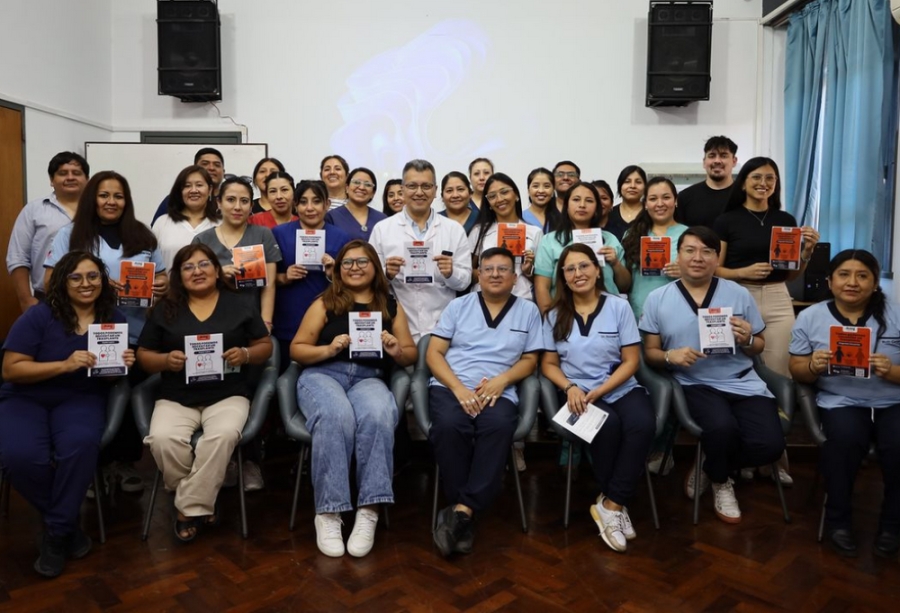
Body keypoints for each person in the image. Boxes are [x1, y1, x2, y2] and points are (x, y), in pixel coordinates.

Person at [0, 251, 134, 577]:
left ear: (103, 280)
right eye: (76, 277)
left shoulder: (114, 318)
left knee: (80, 445)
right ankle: (66, 527)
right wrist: (64, 364)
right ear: (62, 281)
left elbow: (108, 377)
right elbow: (11, 369)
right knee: (19, 456)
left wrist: (120, 366)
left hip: (80, 397)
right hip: (26, 398)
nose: (86, 283)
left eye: (93, 276)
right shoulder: (39, 316)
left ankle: (56, 533)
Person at [640, 227, 786, 524]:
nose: (698, 258)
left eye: (707, 251)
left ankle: (711, 464)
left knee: (770, 444)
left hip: (743, 381)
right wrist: (670, 356)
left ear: (717, 258)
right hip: (695, 383)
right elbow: (650, 353)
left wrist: (747, 339)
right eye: (690, 250)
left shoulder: (738, 294)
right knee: (721, 429)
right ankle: (722, 481)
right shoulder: (658, 298)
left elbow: (759, 345)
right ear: (678, 256)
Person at [43, 171, 168, 495]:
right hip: (84, 332)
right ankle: (90, 465)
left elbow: (164, 278)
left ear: (127, 201)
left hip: (135, 331)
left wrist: (160, 285)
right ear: (92, 199)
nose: (111, 202)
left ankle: (123, 463)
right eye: (104, 195)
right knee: (91, 396)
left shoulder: (142, 235)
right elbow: (49, 282)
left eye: (118, 196)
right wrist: (98, 283)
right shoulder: (70, 234)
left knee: (127, 399)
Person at [138, 244, 272, 542]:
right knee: (161, 439)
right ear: (178, 275)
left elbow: (265, 346)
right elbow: (144, 355)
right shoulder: (165, 308)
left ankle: (187, 509)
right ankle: (201, 500)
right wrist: (165, 361)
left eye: (204, 264)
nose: (197, 271)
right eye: (188, 267)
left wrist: (245, 354)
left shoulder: (239, 304)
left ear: (216, 269)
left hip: (227, 395)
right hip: (176, 396)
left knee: (222, 436)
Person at [291, 241, 417, 558]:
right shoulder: (325, 302)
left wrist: (395, 350)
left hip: (368, 378)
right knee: (336, 416)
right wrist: (329, 349)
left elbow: (410, 354)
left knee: (379, 414)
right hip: (324, 375)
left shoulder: (390, 305)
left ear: (375, 267)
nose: (354, 267)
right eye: (347, 262)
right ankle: (329, 513)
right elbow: (297, 349)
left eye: (362, 261)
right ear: (338, 269)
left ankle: (369, 510)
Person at [427, 247, 543, 557]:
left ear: (514, 277)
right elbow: (433, 353)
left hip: (498, 391)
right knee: (450, 425)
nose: (495, 274)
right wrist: (458, 389)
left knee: (499, 426)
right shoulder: (458, 306)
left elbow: (530, 360)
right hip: (452, 386)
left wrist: (502, 380)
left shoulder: (529, 311)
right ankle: (465, 513)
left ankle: (461, 511)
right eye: (488, 269)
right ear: (478, 275)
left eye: (502, 269)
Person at [541, 244, 655, 552]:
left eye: (584, 266)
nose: (578, 273)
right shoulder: (553, 315)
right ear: (563, 278)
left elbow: (631, 360)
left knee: (643, 423)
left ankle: (611, 504)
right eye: (570, 269)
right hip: (576, 394)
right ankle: (615, 503)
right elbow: (548, 365)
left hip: (618, 387)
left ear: (597, 269)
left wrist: (602, 390)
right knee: (608, 426)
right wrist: (570, 387)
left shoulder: (618, 307)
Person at [714, 157, 820, 484]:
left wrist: (806, 253)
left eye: (770, 178)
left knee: (777, 377)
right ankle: (748, 452)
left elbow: (791, 274)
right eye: (757, 177)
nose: (764, 183)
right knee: (740, 374)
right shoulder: (727, 220)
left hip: (776, 297)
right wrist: (743, 272)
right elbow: (714, 269)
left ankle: (773, 457)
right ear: (744, 181)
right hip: (737, 295)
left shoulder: (785, 220)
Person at [789, 249, 900, 558]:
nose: (852, 282)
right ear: (830, 281)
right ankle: (838, 521)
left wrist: (891, 371)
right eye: (844, 275)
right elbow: (796, 369)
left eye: (862, 276)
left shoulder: (896, 314)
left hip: (893, 401)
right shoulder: (811, 317)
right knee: (844, 441)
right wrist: (813, 366)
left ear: (875, 284)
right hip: (841, 401)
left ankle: (892, 525)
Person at [369, 159, 472, 343]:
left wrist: (451, 273)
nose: (419, 192)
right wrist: (386, 274)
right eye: (412, 186)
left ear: (435, 190)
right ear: (402, 189)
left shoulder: (453, 230)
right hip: (397, 327)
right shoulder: (382, 229)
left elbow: (464, 282)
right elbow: (368, 281)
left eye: (426, 186)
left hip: (444, 326)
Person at [271, 180, 352, 370]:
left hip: (327, 322)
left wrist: (333, 274)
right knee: (285, 376)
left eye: (316, 201)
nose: (309, 208)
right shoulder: (278, 234)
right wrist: (284, 277)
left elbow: (352, 283)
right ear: (295, 205)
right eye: (303, 202)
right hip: (287, 317)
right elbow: (265, 279)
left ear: (327, 204)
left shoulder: (341, 237)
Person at [7, 152, 89, 311]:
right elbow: (18, 257)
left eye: (76, 173)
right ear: (52, 180)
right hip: (47, 299)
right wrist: (25, 299)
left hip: (93, 298)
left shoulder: (99, 211)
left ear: (87, 179)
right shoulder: (34, 210)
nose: (70, 177)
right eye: (62, 173)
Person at [534, 181, 631, 314]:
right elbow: (542, 287)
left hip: (608, 314)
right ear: (566, 206)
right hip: (564, 315)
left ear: (597, 207)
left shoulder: (610, 239)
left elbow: (624, 286)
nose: (582, 205)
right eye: (576, 199)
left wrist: (615, 263)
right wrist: (549, 319)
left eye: (589, 201)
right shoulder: (549, 241)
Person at [621, 177, 688, 321]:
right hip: (640, 312)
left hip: (678, 312)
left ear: (675, 201)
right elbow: (624, 280)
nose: (660, 204)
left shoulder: (689, 235)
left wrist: (686, 273)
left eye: (666, 197)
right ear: (645, 204)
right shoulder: (631, 235)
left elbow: (706, 276)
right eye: (653, 199)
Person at [469, 173, 542, 300]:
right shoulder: (478, 231)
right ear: (488, 203)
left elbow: (543, 280)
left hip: (521, 299)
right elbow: (467, 271)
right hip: (484, 300)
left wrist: (528, 270)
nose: (499, 199)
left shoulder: (534, 232)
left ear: (516, 195)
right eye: (492, 196)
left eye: (504, 192)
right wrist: (486, 273)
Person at [152, 165, 222, 273]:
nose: (193, 190)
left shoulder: (221, 224)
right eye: (187, 186)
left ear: (210, 190)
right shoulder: (162, 223)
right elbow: (150, 263)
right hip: (170, 284)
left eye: (199, 185)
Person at [675, 136, 738, 229]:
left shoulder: (744, 196)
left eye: (723, 156)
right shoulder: (685, 197)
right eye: (712, 156)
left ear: (734, 161)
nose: (717, 161)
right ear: (704, 162)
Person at [152, 148, 226, 224]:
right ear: (194, 168)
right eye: (205, 164)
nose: (211, 168)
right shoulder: (174, 200)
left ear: (223, 172)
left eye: (217, 165)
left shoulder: (229, 200)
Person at [325, 167, 387, 241]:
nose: (361, 187)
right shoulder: (332, 217)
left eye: (368, 184)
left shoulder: (382, 219)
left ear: (373, 193)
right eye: (356, 182)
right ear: (347, 188)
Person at [605, 165, 647, 241]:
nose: (633, 186)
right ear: (620, 186)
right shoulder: (609, 215)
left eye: (638, 182)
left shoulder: (650, 214)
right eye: (627, 182)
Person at [523, 167, 561, 234]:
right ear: (528, 190)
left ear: (553, 190)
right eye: (535, 186)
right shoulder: (519, 218)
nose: (541, 191)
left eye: (546, 186)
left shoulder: (562, 219)